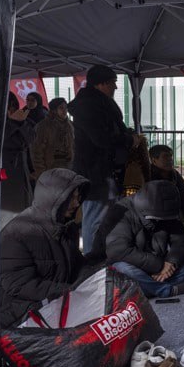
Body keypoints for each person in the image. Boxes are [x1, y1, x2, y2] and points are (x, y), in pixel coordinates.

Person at [0, 169, 90, 328]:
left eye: (77, 198)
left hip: (55, 302)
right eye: (71, 198)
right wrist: (70, 291)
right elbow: (19, 285)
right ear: (55, 198)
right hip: (22, 314)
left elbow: (78, 266)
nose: (76, 204)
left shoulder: (65, 227)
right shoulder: (16, 234)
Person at [68, 64, 140, 254]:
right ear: (100, 84)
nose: (115, 88)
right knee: (96, 218)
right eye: (112, 83)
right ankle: (92, 260)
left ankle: (99, 257)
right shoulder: (90, 107)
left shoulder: (94, 104)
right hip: (96, 172)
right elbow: (102, 138)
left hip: (102, 170)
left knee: (102, 216)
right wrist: (128, 139)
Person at [107, 180, 184, 298]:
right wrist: (159, 266)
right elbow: (118, 251)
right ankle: (167, 290)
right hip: (136, 264)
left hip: (159, 265)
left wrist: (171, 262)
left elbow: (181, 241)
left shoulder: (167, 212)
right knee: (122, 268)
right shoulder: (121, 211)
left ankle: (149, 287)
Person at [1, 92, 37, 228]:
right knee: (9, 212)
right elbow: (3, 142)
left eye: (14, 107)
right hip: (5, 171)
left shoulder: (23, 122)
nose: (12, 110)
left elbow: (30, 140)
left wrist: (20, 123)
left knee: (24, 208)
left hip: (21, 172)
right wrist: (13, 123)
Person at [30, 97, 74, 181]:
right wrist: (41, 173)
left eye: (65, 108)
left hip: (67, 168)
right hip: (50, 168)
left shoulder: (70, 126)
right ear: (54, 110)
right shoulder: (43, 126)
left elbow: (73, 146)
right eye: (61, 108)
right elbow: (37, 151)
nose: (64, 111)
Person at [149, 144, 184, 225]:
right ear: (154, 160)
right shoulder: (148, 177)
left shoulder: (174, 175)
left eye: (170, 156)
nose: (170, 160)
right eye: (165, 157)